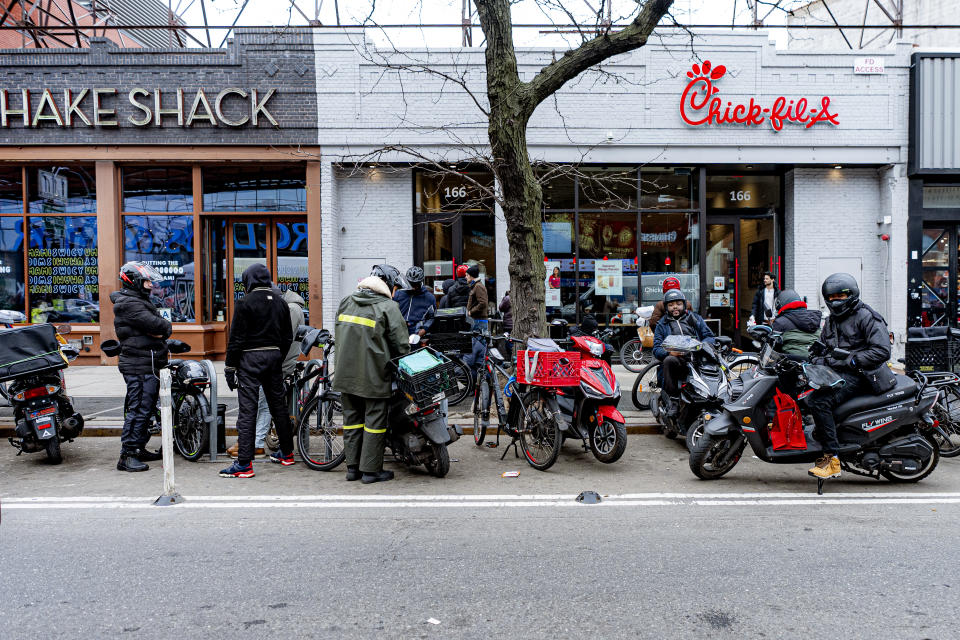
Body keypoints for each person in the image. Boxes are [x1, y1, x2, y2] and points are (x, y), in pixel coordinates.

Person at [807, 273, 891, 480]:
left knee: (819, 402)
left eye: (841, 296)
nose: (836, 301)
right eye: (832, 297)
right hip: (839, 372)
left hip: (863, 375)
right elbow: (826, 345)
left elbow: (882, 350)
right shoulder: (833, 320)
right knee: (806, 393)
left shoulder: (867, 316)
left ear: (851, 294)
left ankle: (832, 459)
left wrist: (854, 360)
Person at [334, 264, 410, 484]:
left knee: (352, 421)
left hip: (345, 375)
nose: (396, 291)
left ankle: (352, 469)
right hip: (374, 376)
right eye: (395, 287)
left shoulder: (346, 301)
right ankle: (370, 471)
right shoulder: (388, 307)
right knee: (374, 423)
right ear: (387, 284)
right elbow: (401, 346)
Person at [219, 264, 295, 478]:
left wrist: (230, 367)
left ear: (248, 280)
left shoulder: (244, 303)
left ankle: (244, 463)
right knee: (278, 407)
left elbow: (236, 339)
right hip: (273, 358)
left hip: (250, 360)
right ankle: (287, 453)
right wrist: (278, 355)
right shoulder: (281, 302)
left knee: (248, 410)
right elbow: (287, 336)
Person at [227, 288, 305, 459]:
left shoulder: (289, 308)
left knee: (258, 405)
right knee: (269, 406)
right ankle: (275, 449)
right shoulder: (289, 307)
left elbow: (282, 338)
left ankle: (252, 446)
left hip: (277, 364)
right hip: (278, 362)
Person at [111, 262, 172, 472]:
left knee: (146, 410)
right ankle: (127, 455)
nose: (150, 285)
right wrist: (162, 328)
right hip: (138, 365)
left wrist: (159, 331)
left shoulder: (137, 300)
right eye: (146, 281)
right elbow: (159, 326)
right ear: (134, 281)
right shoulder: (129, 303)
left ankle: (139, 447)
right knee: (138, 409)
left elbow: (156, 329)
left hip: (147, 362)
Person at [652, 289, 715, 415]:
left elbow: (709, 336)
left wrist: (700, 345)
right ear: (666, 307)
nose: (675, 307)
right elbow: (656, 349)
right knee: (669, 361)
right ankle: (673, 400)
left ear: (684, 305)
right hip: (677, 361)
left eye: (678, 304)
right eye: (670, 305)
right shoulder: (662, 324)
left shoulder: (695, 318)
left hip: (697, 359)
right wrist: (670, 353)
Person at [771, 289, 822, 357]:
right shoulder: (814, 319)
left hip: (792, 362)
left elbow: (773, 346)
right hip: (816, 360)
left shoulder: (780, 322)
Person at [394, 266, 436, 336]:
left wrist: (424, 330)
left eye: (416, 284)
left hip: (417, 333)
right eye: (410, 283)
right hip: (399, 332)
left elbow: (431, 317)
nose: (413, 287)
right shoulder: (398, 294)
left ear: (421, 282)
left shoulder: (429, 298)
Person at [465, 264, 489, 371]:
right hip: (478, 320)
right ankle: (480, 369)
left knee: (479, 345)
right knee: (479, 345)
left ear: (471, 276)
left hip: (479, 321)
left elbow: (483, 303)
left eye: (466, 275)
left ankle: (482, 370)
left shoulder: (478, 286)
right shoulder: (476, 285)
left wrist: (471, 312)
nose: (465, 277)